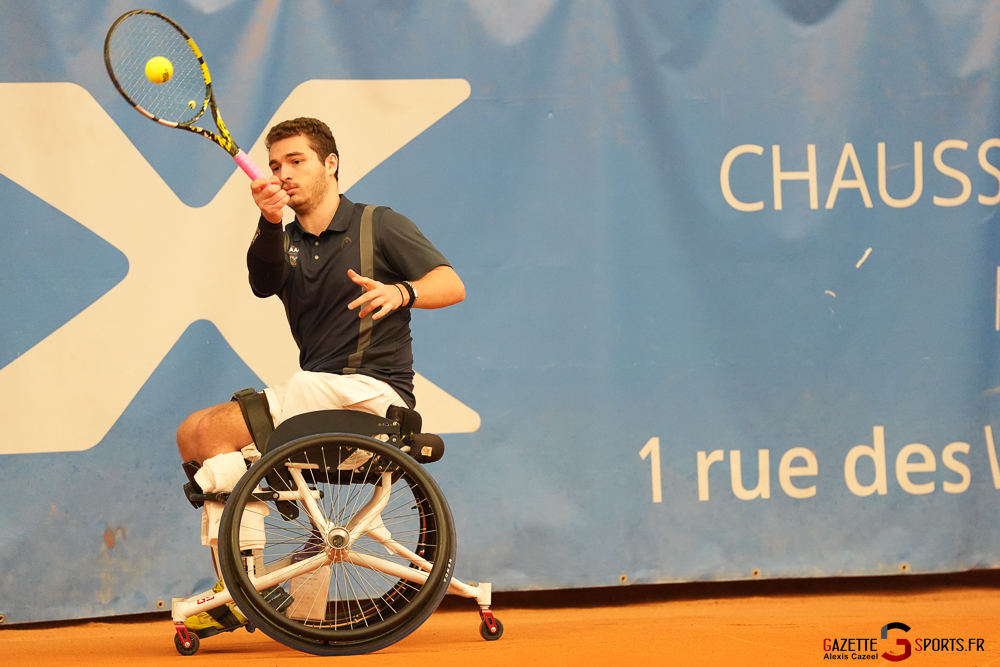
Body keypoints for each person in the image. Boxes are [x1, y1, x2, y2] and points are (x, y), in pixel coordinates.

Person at [174, 117, 464, 630]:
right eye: (275, 165)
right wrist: (268, 220)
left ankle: (245, 586)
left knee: (228, 426)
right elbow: (263, 282)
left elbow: (451, 283)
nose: (283, 173)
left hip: (374, 398)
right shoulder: (281, 240)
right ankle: (242, 581)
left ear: (330, 164)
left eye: (297, 160)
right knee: (194, 434)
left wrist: (401, 291)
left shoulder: (379, 225)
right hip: (320, 399)